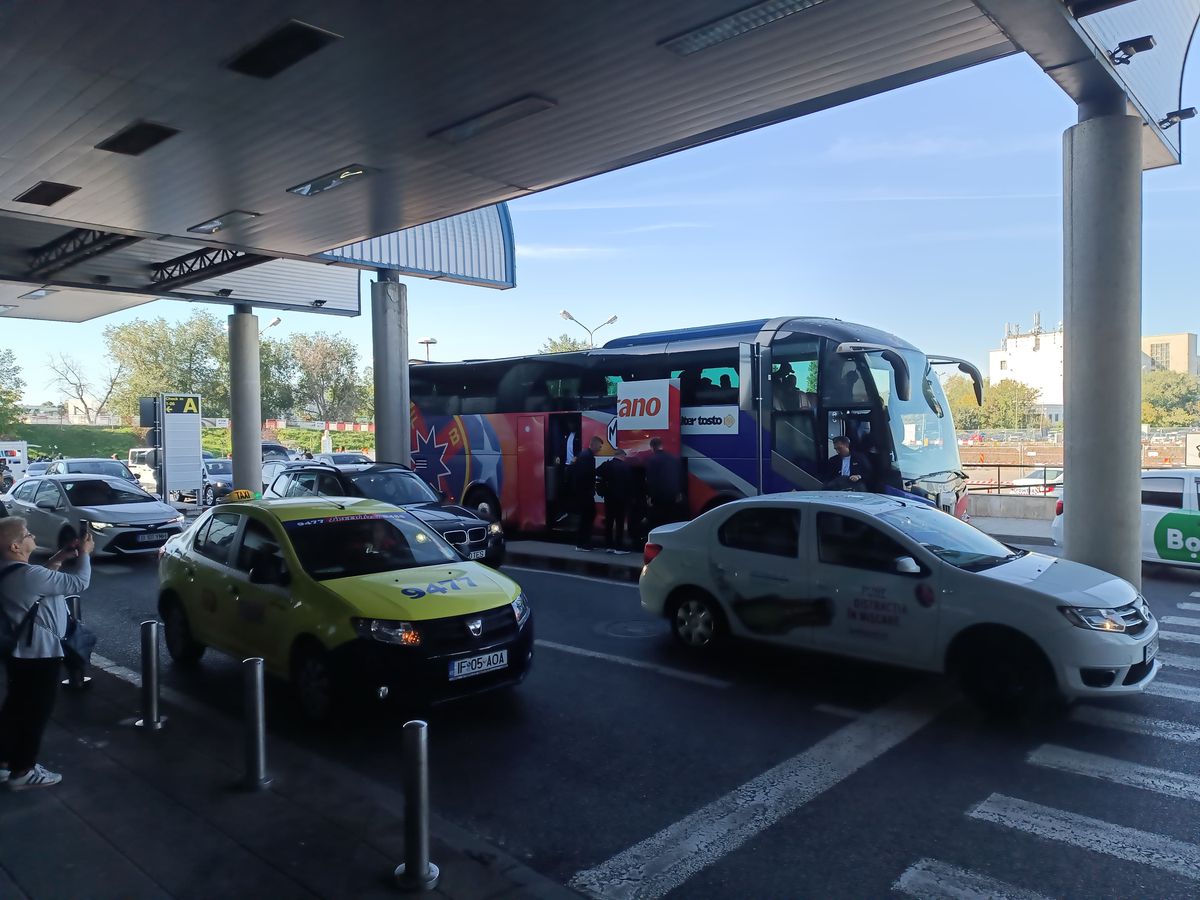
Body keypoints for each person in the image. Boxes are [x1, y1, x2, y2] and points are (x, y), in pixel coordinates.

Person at [0, 517, 94, 790]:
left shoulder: (11, 571)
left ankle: (4, 762)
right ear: (15, 546)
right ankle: (24, 771)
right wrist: (84, 555)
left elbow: (40, 580)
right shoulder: (28, 576)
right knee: (35, 713)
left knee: (15, 709)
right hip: (40, 654)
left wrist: (61, 556)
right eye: (28, 534)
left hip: (20, 654)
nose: (33, 538)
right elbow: (79, 583)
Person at [597, 448, 632, 554]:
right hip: (621, 499)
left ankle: (609, 546)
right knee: (620, 523)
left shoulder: (606, 465)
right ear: (622, 456)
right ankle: (619, 546)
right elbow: (629, 484)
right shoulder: (625, 467)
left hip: (609, 498)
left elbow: (597, 473)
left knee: (609, 521)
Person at [645, 437, 685, 530]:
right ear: (661, 446)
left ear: (652, 447)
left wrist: (649, 496)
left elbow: (651, 480)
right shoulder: (673, 458)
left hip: (658, 497)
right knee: (669, 520)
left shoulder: (652, 460)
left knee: (658, 521)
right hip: (672, 495)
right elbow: (680, 476)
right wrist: (679, 492)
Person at [572, 436, 602, 551]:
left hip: (583, 492)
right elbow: (585, 475)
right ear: (593, 445)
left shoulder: (584, 455)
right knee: (588, 516)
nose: (599, 449)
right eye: (599, 447)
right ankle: (582, 543)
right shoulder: (588, 457)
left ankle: (583, 542)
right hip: (584, 492)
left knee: (587, 516)